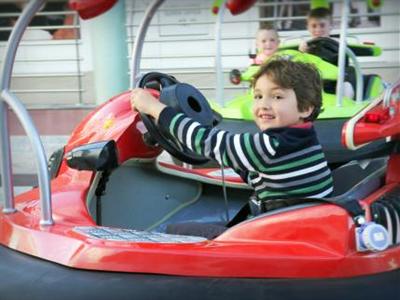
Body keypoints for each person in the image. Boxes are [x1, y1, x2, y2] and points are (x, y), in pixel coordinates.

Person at [131, 59, 333, 219]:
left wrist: (155, 109)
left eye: (277, 97)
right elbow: (256, 169)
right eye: (258, 96)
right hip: (295, 220)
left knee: (178, 232)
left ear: (306, 108)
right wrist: (230, 156)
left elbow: (206, 141)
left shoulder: (271, 146)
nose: (263, 105)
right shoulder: (304, 138)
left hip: (278, 233)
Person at [299, 7, 355, 99]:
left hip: (337, 79)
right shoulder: (306, 45)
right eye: (314, 26)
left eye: (322, 25)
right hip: (315, 80)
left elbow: (345, 55)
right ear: (308, 28)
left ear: (330, 26)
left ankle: (345, 100)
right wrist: (303, 51)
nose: (318, 29)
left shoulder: (338, 41)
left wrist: (340, 44)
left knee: (350, 71)